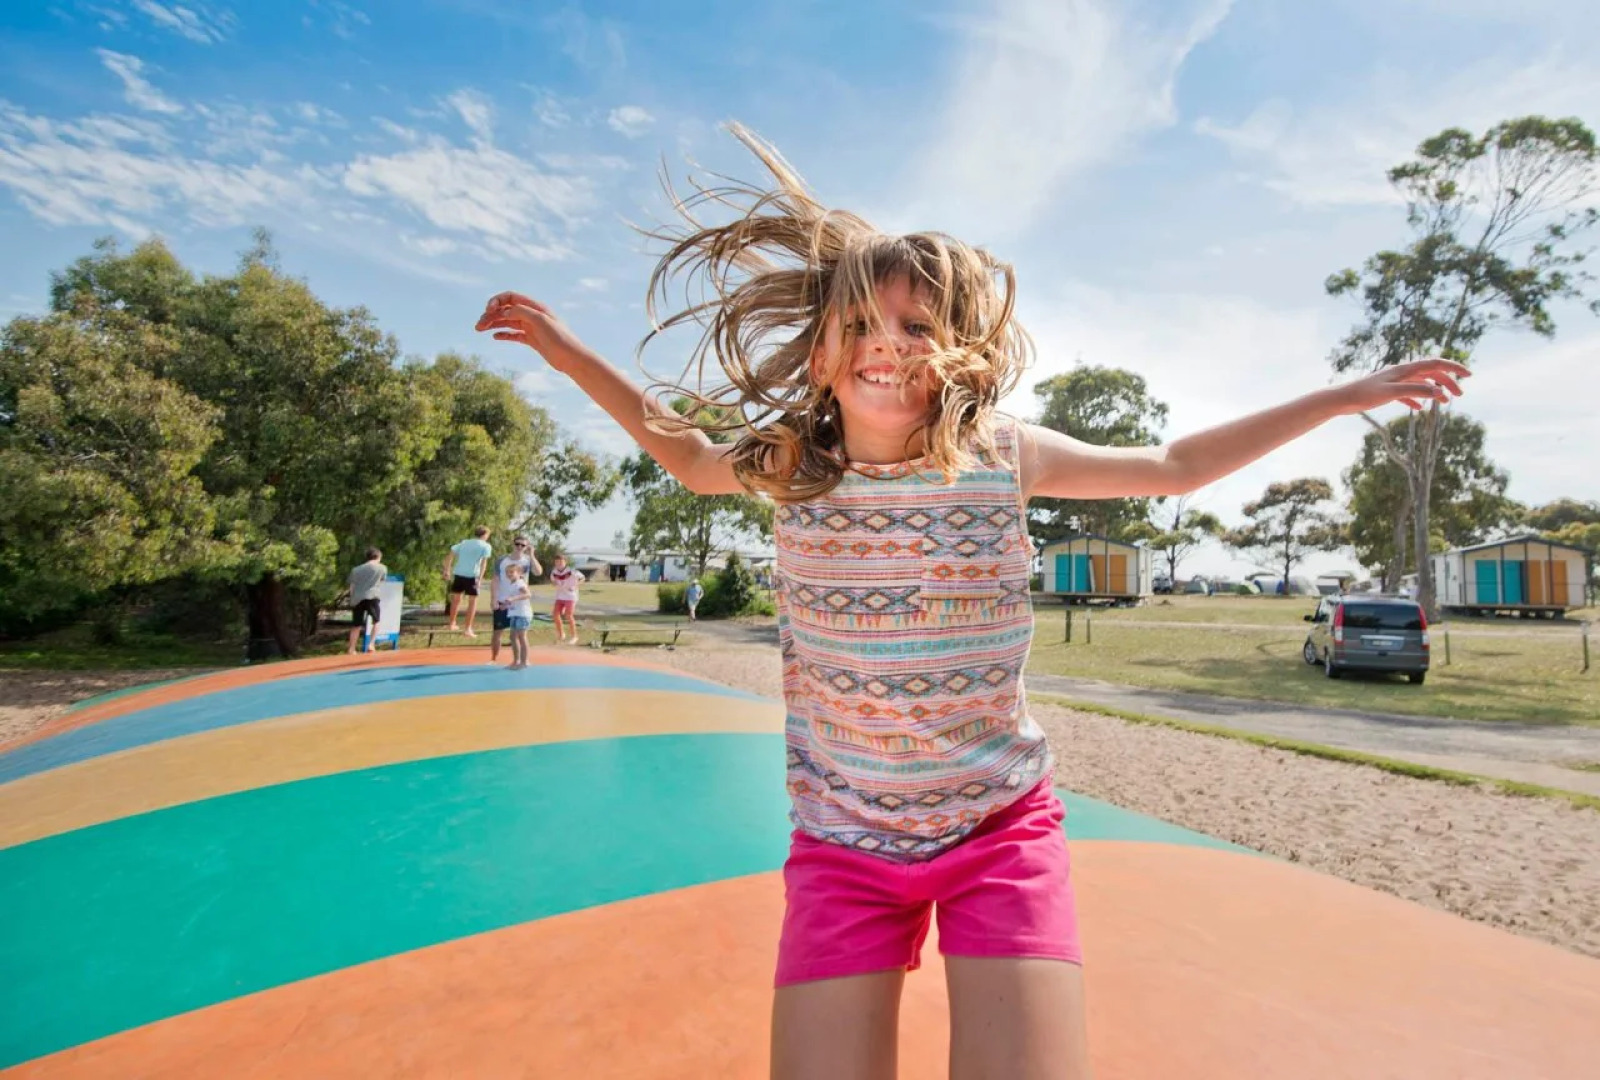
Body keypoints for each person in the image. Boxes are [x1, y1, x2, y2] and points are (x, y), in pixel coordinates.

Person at [475, 123, 1469, 1080]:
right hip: (843, 847)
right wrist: (567, 353)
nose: (886, 345)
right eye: (859, 324)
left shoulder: (1003, 454)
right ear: (821, 352)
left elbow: (1172, 465)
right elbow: (687, 456)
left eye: (917, 326)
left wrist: (1341, 396)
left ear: (958, 353)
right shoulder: (794, 465)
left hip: (998, 833)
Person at [491, 535, 543, 663]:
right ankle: (494, 659)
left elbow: (538, 572)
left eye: (523, 545)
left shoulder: (527, 560)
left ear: (526, 547)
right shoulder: (502, 560)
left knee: (518, 635)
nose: (519, 547)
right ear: (513, 544)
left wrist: (532, 555)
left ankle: (523, 661)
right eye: (517, 544)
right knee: (498, 633)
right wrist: (494, 598)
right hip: (503, 601)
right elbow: (495, 580)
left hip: (519, 604)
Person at [443, 526, 492, 636]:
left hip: (459, 574)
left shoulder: (464, 543)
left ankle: (452, 624)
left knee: (456, 600)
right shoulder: (486, 546)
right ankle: (468, 629)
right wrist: (480, 579)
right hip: (472, 576)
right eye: (488, 535)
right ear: (484, 535)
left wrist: (447, 570)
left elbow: (449, 556)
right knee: (472, 602)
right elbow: (484, 564)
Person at [346, 547, 387, 655]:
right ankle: (371, 644)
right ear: (378, 557)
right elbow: (382, 581)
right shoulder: (382, 568)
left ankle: (351, 649)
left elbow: (352, 586)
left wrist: (352, 599)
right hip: (373, 596)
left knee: (356, 625)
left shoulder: (356, 569)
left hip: (357, 598)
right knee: (376, 621)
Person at [500, 560, 534, 670]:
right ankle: (516, 661)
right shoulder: (513, 584)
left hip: (522, 614)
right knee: (513, 637)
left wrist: (513, 598)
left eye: (511, 572)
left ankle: (524, 662)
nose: (509, 574)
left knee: (522, 637)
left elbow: (528, 594)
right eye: (507, 572)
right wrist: (505, 605)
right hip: (514, 613)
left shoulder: (520, 583)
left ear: (519, 573)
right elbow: (513, 599)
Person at [548, 554, 584, 645]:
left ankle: (574, 636)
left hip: (571, 596)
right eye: (557, 562)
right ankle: (561, 634)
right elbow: (553, 582)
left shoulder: (572, 571)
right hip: (560, 596)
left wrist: (575, 586)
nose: (559, 563)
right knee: (555, 614)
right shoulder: (554, 572)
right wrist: (554, 584)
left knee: (569, 615)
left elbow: (583, 578)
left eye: (561, 561)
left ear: (565, 562)